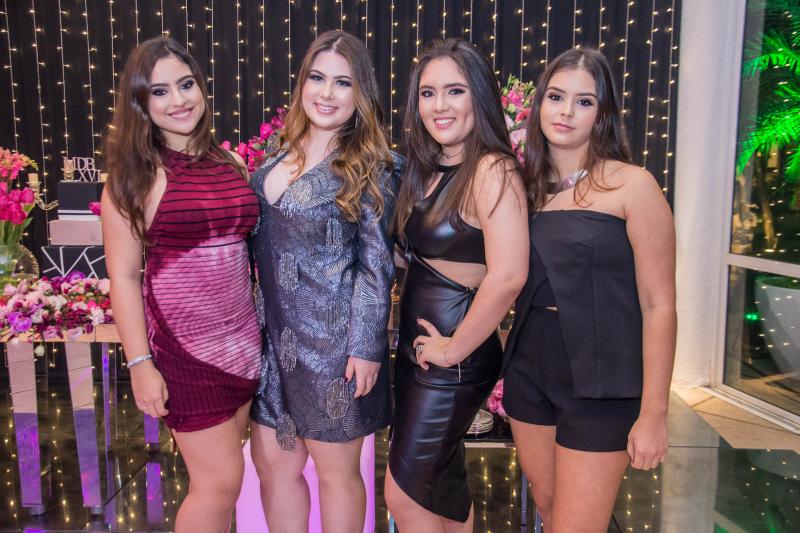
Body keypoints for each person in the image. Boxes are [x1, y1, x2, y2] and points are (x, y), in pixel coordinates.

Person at [502, 48, 676, 533]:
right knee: (550, 511)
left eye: (584, 101)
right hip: (529, 372)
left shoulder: (633, 186)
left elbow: (660, 305)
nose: (566, 112)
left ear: (603, 113)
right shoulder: (523, 189)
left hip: (604, 381)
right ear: (539, 104)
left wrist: (654, 414)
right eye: (556, 97)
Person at [101, 37, 261, 532]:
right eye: (160, 91)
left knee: (228, 484)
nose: (179, 100)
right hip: (185, 354)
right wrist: (140, 364)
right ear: (141, 104)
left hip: (244, 347)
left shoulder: (230, 164)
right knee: (217, 485)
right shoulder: (134, 178)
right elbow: (123, 278)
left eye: (186, 85)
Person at [248, 30, 401, 533]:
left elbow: (376, 266)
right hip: (272, 343)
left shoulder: (371, 166)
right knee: (275, 469)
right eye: (317, 78)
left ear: (361, 94)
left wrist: (366, 346)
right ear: (301, 84)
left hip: (335, 346)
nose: (327, 93)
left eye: (343, 82)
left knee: (337, 475)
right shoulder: (276, 154)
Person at [385, 38, 529, 532]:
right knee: (442, 489)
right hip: (423, 352)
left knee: (405, 495)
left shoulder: (492, 168)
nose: (439, 105)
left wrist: (452, 350)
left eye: (455, 91)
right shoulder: (429, 167)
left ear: (479, 96)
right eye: (428, 93)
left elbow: (509, 275)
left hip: (453, 359)